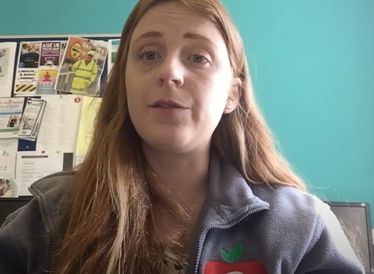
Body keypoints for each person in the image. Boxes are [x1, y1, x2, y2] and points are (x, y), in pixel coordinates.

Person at [0, 0, 364, 273]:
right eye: (149, 54)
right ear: (124, 83)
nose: (170, 72)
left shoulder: (301, 227)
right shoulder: (48, 219)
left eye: (198, 58)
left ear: (232, 95)